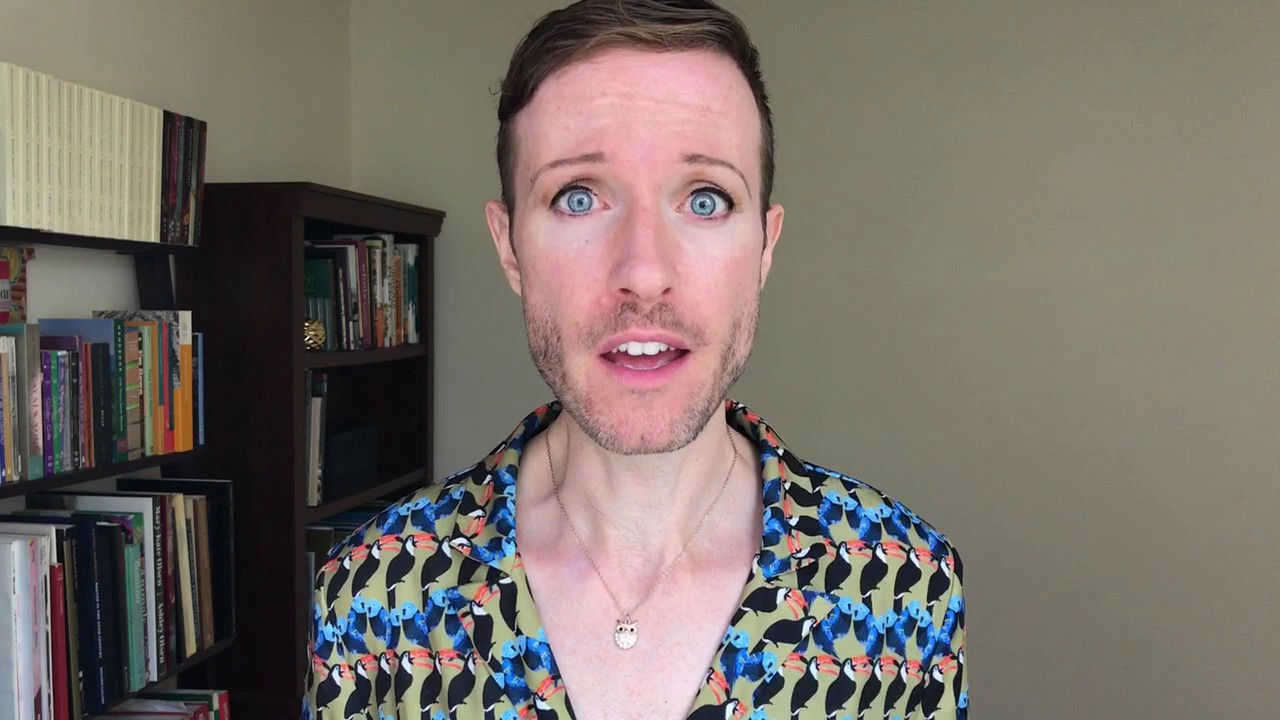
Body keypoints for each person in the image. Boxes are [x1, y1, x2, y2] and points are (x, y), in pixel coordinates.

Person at [304, 1, 967, 718]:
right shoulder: (376, 592)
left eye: (706, 200)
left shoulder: (904, 585)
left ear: (764, 248)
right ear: (509, 247)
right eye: (578, 197)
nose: (645, 273)